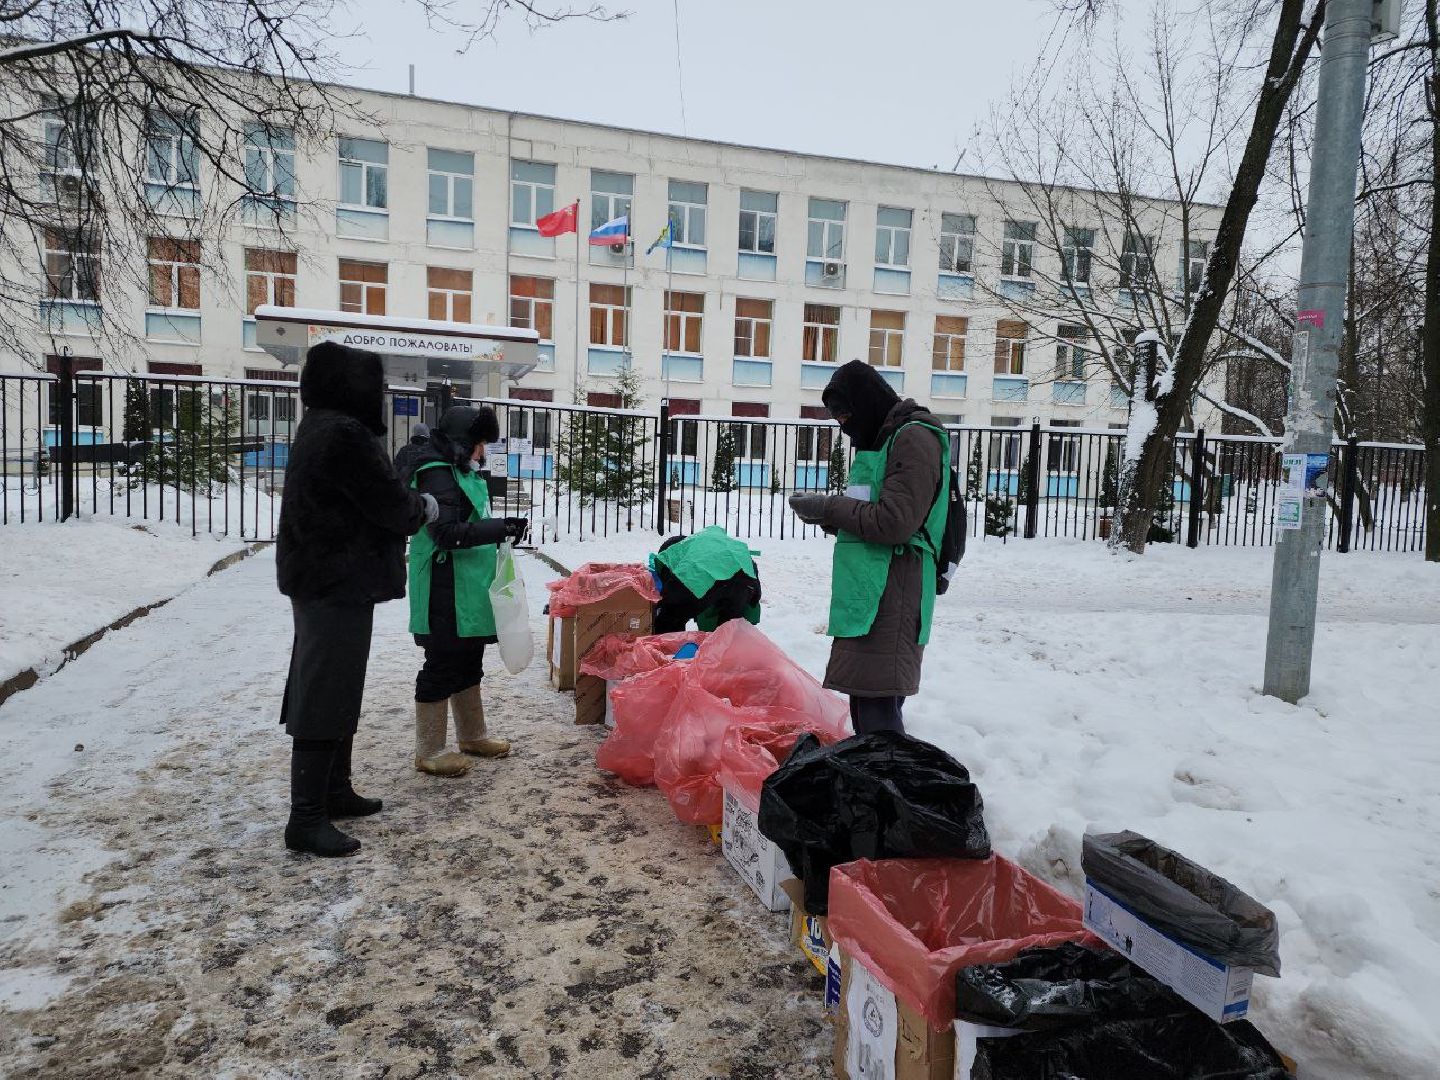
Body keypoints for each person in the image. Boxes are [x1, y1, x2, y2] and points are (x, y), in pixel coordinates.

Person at [275, 341, 439, 858]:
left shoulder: (321, 426)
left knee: (334, 684)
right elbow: (389, 504)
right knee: (326, 689)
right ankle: (306, 818)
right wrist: (425, 507)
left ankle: (335, 792)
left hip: (325, 579)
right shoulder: (344, 435)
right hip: (334, 581)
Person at [788, 360, 948, 735]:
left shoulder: (913, 438)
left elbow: (895, 522)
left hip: (895, 589)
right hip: (872, 590)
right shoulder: (884, 439)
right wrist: (828, 517)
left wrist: (829, 507)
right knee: (867, 697)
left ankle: (885, 783)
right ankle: (876, 780)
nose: (844, 425)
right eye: (837, 418)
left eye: (846, 414)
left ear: (867, 401)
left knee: (878, 708)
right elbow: (872, 510)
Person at [407, 405, 528, 777]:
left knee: (468, 659)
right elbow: (445, 532)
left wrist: (499, 529)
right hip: (444, 587)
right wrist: (499, 528)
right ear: (464, 444)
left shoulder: (459, 471)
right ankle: (429, 749)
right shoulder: (436, 474)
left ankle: (472, 736)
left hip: (468, 587)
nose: (484, 452)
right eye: (480, 444)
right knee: (441, 664)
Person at [650, 526, 762, 633]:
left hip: (717, 579)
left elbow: (675, 594)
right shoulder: (709, 541)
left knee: (669, 616)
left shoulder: (684, 556)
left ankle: (668, 650)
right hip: (746, 584)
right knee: (727, 631)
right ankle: (724, 649)